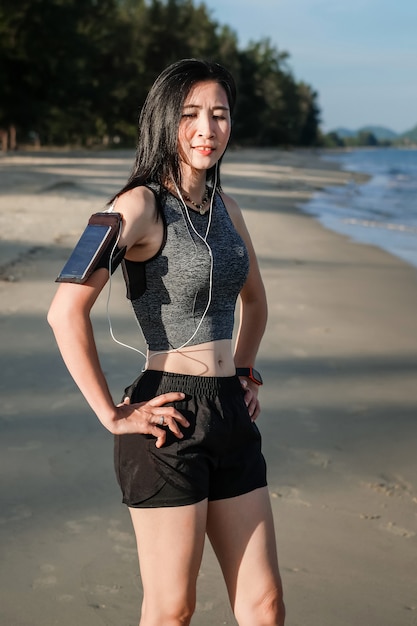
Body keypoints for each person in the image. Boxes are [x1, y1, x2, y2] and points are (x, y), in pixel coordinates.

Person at [48, 58, 285, 626]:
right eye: (192, 115)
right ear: (164, 120)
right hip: (168, 417)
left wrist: (245, 372)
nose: (209, 129)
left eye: (220, 115)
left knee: (266, 604)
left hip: (230, 412)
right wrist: (111, 413)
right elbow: (64, 312)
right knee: (172, 610)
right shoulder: (136, 205)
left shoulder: (228, 210)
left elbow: (257, 302)